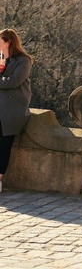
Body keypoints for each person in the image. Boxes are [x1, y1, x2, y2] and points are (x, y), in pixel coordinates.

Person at [0, 29, 33, 193]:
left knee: (4, 143)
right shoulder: (1, 59)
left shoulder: (23, 61)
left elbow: (12, 82)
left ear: (9, 42)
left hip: (11, 110)